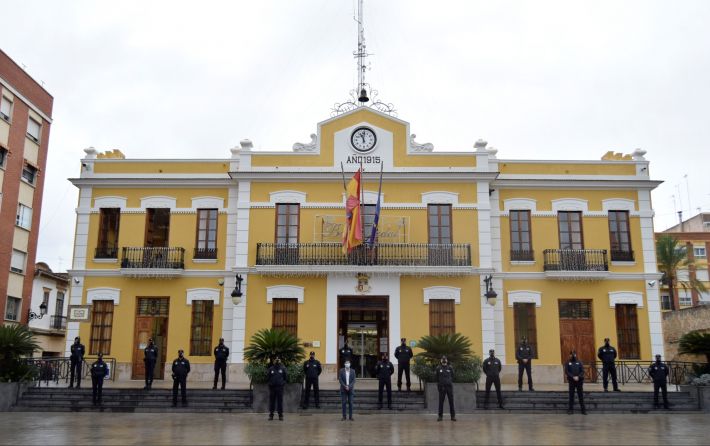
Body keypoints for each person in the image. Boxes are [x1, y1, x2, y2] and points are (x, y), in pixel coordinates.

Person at [566, 351, 587, 415]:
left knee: (580, 396)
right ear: (569, 355)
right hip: (571, 381)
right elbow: (567, 371)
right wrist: (573, 377)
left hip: (579, 381)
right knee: (571, 396)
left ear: (576, 355)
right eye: (571, 354)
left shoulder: (579, 362)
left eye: (574, 354)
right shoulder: (567, 363)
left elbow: (582, 371)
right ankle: (570, 410)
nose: (573, 355)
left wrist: (578, 376)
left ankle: (583, 410)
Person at [436, 356, 456, 422]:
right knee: (441, 402)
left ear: (447, 360)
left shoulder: (450, 367)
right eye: (443, 359)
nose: (444, 360)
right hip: (442, 387)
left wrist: (449, 382)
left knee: (451, 402)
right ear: (441, 360)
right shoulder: (438, 368)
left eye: (445, 359)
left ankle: (453, 416)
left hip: (449, 387)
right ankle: (440, 416)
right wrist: (439, 386)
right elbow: (436, 378)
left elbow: (453, 375)